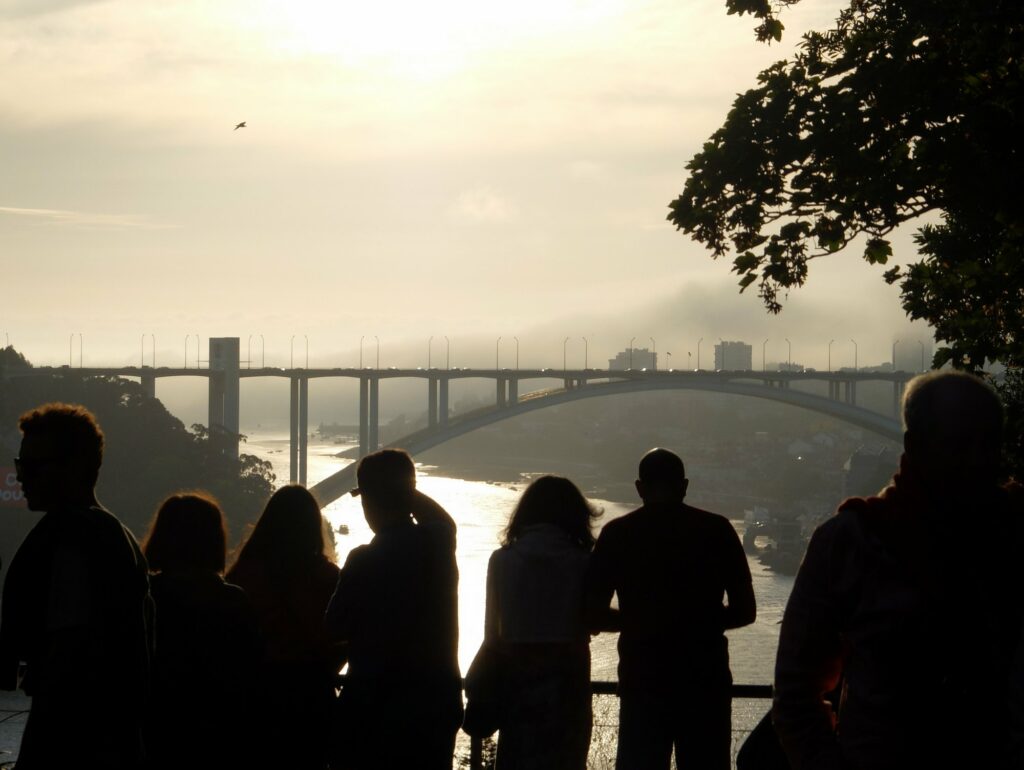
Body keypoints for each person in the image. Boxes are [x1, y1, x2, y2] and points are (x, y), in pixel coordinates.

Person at [773, 370, 1024, 770]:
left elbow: (796, 690)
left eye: (989, 443)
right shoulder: (851, 543)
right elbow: (796, 691)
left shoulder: (853, 539)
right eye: (960, 444)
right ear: (915, 446)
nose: (979, 459)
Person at [0, 403, 152, 769]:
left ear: (75, 467)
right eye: (21, 466)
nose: (21, 478)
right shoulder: (117, 535)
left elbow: (70, 652)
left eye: (33, 467)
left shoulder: (72, 539)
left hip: (71, 745)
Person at [586, 448, 756, 770]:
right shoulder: (717, 530)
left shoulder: (619, 534)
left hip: (643, 681)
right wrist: (698, 622)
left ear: (639, 487)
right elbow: (746, 610)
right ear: (685, 485)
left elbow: (592, 613)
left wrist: (641, 622)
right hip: (705, 681)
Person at [325, 448, 462, 770]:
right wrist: (403, 490)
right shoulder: (438, 544)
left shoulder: (363, 561)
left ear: (368, 502)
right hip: (434, 706)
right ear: (409, 493)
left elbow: (333, 628)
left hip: (373, 708)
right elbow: (442, 520)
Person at [482, 475, 599, 769]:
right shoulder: (584, 563)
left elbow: (492, 637)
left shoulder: (501, 561)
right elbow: (593, 622)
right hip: (568, 689)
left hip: (516, 687)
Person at [227, 484, 345, 770]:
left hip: (254, 700)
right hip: (311, 700)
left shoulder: (244, 576)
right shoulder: (327, 578)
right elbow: (344, 637)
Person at [142, 492, 261, 770]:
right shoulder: (234, 601)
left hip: (157, 726)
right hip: (219, 732)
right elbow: (251, 671)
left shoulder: (143, 597)